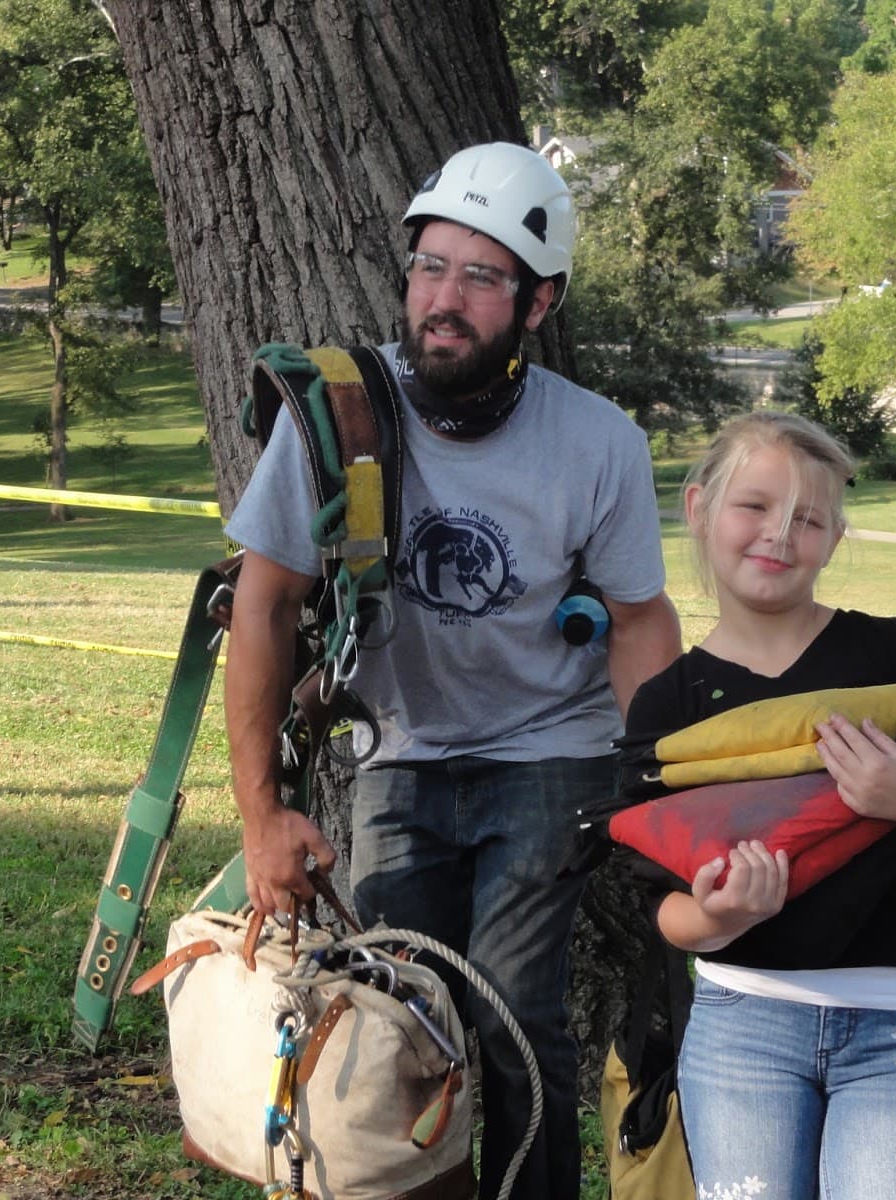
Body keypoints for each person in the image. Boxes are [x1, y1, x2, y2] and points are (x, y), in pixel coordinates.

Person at [222, 141, 682, 1200]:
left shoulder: (597, 443)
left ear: (537, 301)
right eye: (430, 267)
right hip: (402, 752)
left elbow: (638, 621)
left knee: (514, 1013)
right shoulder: (340, 417)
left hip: (550, 754)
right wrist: (259, 813)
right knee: (394, 1013)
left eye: (481, 277)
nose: (445, 298)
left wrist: (658, 786)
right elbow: (266, 601)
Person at [622, 411, 896, 1200]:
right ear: (700, 507)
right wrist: (720, 918)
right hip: (743, 1025)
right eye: (756, 507)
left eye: (807, 520)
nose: (779, 536)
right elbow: (661, 908)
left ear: (835, 540)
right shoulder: (667, 706)